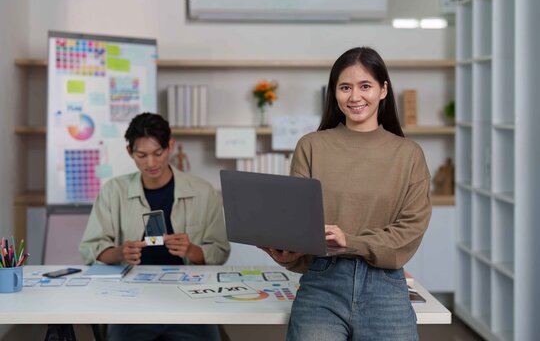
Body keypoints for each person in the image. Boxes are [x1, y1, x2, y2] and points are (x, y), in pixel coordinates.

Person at [262, 46, 432, 341]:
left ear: (383, 90)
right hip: (322, 283)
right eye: (345, 87)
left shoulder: (409, 154)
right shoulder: (311, 146)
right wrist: (286, 251)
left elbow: (409, 233)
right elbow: (301, 226)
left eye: (365, 86)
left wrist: (349, 241)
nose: (354, 97)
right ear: (334, 93)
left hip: (385, 285)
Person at [80, 112, 230, 341]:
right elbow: (91, 249)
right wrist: (120, 252)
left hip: (189, 299)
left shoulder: (203, 191)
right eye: (141, 155)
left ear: (170, 146)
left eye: (158, 153)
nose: (151, 163)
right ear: (129, 152)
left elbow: (219, 251)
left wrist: (192, 250)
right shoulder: (113, 191)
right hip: (130, 301)